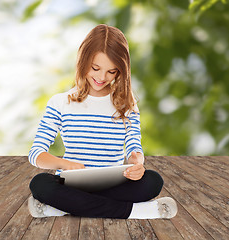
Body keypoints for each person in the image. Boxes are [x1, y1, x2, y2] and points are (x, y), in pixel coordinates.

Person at [27, 24, 177, 219]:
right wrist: (65, 164)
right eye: (95, 68)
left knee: (153, 181)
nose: (101, 77)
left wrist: (137, 163)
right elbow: (36, 154)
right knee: (40, 184)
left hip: (114, 184)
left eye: (111, 72)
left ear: (120, 71)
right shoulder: (60, 102)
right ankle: (137, 211)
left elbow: (134, 147)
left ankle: (60, 208)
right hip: (73, 184)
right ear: (83, 60)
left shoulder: (127, 103)